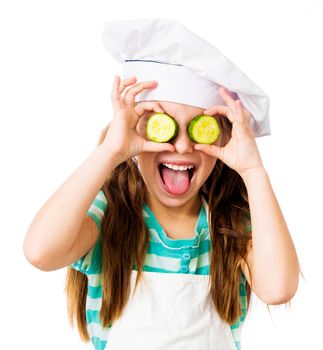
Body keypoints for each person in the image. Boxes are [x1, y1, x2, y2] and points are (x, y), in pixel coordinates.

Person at [23, 19, 300, 350]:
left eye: (200, 130)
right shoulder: (109, 216)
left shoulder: (229, 225)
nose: (182, 147)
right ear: (134, 131)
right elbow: (40, 252)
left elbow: (279, 288)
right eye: (163, 127)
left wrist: (253, 170)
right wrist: (111, 151)